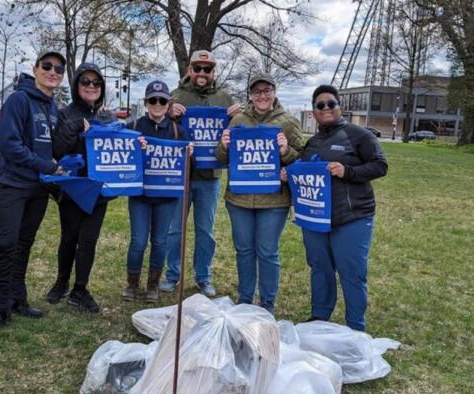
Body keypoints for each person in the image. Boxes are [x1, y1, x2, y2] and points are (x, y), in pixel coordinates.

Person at [0, 50, 66, 335]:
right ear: (36, 68)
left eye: (58, 69)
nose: (53, 71)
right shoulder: (18, 99)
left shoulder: (52, 106)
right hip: (13, 184)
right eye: (47, 66)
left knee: (24, 243)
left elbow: (54, 145)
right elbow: (9, 144)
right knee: (6, 244)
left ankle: (18, 299)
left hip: (38, 188)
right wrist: (45, 165)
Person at [299, 84, 387, 331]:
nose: (326, 108)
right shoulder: (312, 143)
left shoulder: (359, 135)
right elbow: (304, 173)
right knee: (320, 268)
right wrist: (289, 174)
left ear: (339, 107)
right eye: (320, 105)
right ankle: (319, 317)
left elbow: (381, 166)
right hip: (317, 218)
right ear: (314, 112)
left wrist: (347, 171)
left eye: (331, 104)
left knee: (352, 272)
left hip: (353, 217)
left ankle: (355, 326)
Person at [217, 72, 306, 315]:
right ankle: (245, 298)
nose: (262, 96)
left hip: (274, 200)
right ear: (250, 95)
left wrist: (286, 152)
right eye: (257, 92)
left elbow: (301, 158)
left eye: (267, 91)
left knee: (267, 251)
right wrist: (224, 146)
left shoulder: (287, 121)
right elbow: (221, 158)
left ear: (274, 92)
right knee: (244, 250)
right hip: (239, 199)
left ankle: (267, 302)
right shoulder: (237, 121)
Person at [160, 50, 242, 297]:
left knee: (205, 230)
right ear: (190, 70)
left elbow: (240, 132)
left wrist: (238, 115)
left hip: (211, 176)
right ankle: (172, 275)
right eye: (198, 68)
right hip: (180, 174)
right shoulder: (175, 96)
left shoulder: (225, 98)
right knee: (175, 229)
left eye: (208, 69)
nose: (203, 73)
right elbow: (158, 126)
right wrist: (167, 113)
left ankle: (203, 276)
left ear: (213, 71)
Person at [47, 63, 116, 313]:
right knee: (69, 238)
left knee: (89, 240)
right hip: (73, 189)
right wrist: (75, 127)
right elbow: (57, 149)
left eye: (96, 83)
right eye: (85, 82)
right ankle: (62, 281)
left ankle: (80, 288)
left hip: (98, 191)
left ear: (102, 87)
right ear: (77, 85)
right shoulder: (65, 114)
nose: (91, 86)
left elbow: (120, 150)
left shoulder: (108, 117)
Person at [122, 81, 191, 303]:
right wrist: (133, 147)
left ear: (168, 103)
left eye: (162, 100)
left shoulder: (177, 131)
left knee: (160, 242)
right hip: (140, 195)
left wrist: (190, 155)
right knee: (138, 241)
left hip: (167, 197)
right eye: (153, 100)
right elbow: (121, 156)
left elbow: (191, 166)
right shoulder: (133, 128)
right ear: (146, 103)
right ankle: (132, 284)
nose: (158, 104)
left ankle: (153, 285)